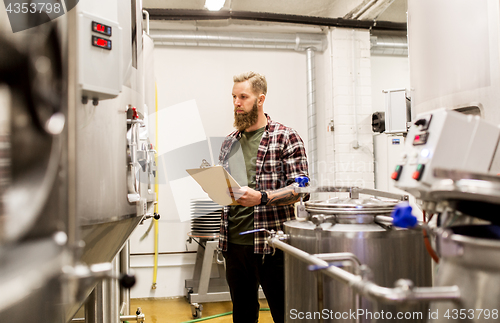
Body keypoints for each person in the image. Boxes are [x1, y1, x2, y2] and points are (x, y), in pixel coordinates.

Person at [218, 71, 309, 323]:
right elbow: (229, 189)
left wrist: (262, 197)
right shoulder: (229, 142)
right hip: (234, 244)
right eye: (234, 97)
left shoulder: (285, 137)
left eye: (243, 97)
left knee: (285, 313)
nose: (236, 103)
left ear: (260, 99)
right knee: (243, 315)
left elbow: (301, 189)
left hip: (272, 245)